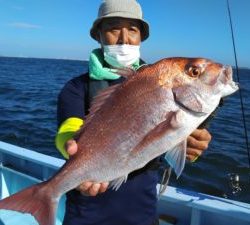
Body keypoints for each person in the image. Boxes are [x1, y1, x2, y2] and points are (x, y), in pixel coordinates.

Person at [55, 0, 212, 225]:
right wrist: (70, 144)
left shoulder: (166, 89)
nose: (124, 38)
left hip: (143, 213)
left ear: (141, 37)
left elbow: (169, 144)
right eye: (113, 29)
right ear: (98, 35)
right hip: (86, 213)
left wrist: (192, 146)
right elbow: (67, 130)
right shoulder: (76, 88)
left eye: (132, 30)